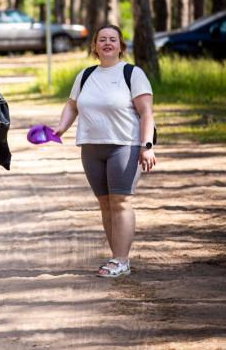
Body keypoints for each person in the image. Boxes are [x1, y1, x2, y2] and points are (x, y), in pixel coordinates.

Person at [52, 24, 156, 278]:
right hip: (91, 147)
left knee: (121, 202)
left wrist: (147, 146)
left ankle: (121, 260)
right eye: (102, 40)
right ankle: (116, 257)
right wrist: (60, 128)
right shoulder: (86, 75)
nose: (107, 43)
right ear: (95, 46)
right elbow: (72, 106)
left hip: (125, 146)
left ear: (121, 46)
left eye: (112, 39)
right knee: (105, 204)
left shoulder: (133, 73)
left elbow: (146, 113)